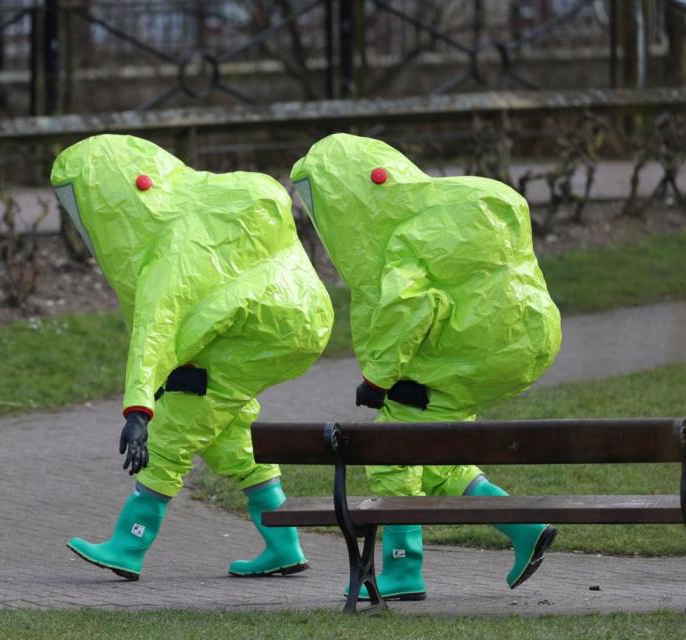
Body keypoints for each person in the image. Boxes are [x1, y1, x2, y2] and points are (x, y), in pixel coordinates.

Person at [290, 133, 563, 601]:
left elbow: (409, 308)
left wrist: (378, 379)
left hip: (451, 365)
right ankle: (524, 527)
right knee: (439, 454)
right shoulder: (436, 218)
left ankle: (402, 569)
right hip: (501, 352)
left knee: (393, 451)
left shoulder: (405, 236)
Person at [51, 134, 333, 581]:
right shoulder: (208, 207)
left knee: (173, 426)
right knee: (231, 435)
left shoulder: (175, 243)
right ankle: (284, 544)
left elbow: (157, 326)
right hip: (292, 320)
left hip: (251, 331)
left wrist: (140, 408)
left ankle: (129, 545)